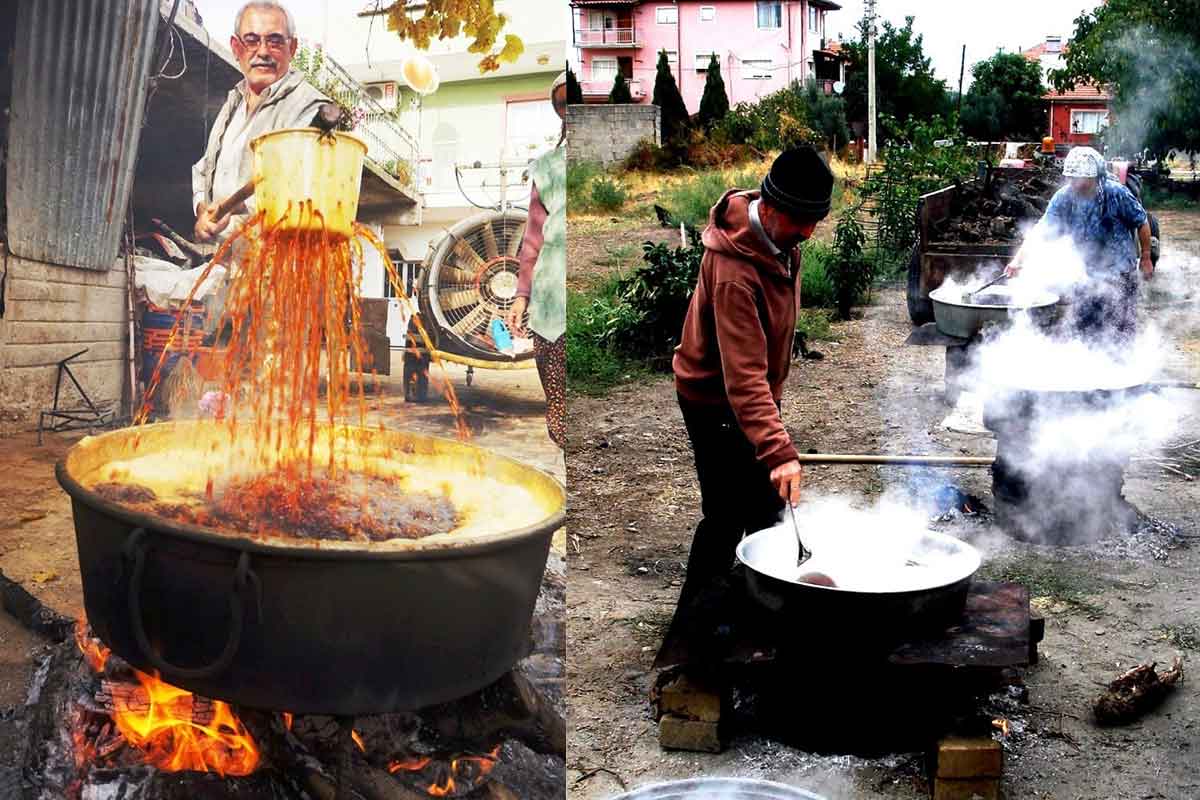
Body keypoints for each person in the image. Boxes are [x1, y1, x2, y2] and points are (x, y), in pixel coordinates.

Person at [670, 146, 834, 609]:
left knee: (767, 506)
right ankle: (696, 627)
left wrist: (771, 441)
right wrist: (779, 451)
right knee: (725, 514)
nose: (809, 231)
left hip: (752, 394)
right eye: (801, 219)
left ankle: (761, 608)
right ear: (772, 207)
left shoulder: (782, 242)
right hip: (712, 397)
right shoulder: (734, 272)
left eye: (815, 219)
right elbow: (740, 377)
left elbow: (755, 373)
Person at [192, 1, 329, 245]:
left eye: (275, 41)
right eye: (252, 40)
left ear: (293, 47)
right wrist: (204, 211)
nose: (263, 52)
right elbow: (203, 170)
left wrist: (231, 209)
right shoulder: (232, 104)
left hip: (279, 266)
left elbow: (296, 183)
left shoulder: (311, 107)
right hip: (224, 261)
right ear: (236, 47)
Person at [1006, 146, 1153, 345]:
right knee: (1085, 328)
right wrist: (1017, 261)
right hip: (1085, 275)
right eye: (1073, 178)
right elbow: (1041, 230)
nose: (1078, 183)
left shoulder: (1116, 193)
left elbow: (1142, 222)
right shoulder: (1063, 197)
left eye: (1084, 179)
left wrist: (1145, 257)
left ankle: (1122, 367)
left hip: (1120, 273)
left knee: (1121, 329)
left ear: (1097, 177)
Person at [506, 72, 567, 452]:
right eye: (562, 104)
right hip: (549, 305)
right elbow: (533, 238)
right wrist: (520, 297)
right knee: (560, 414)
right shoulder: (545, 167)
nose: (570, 110)